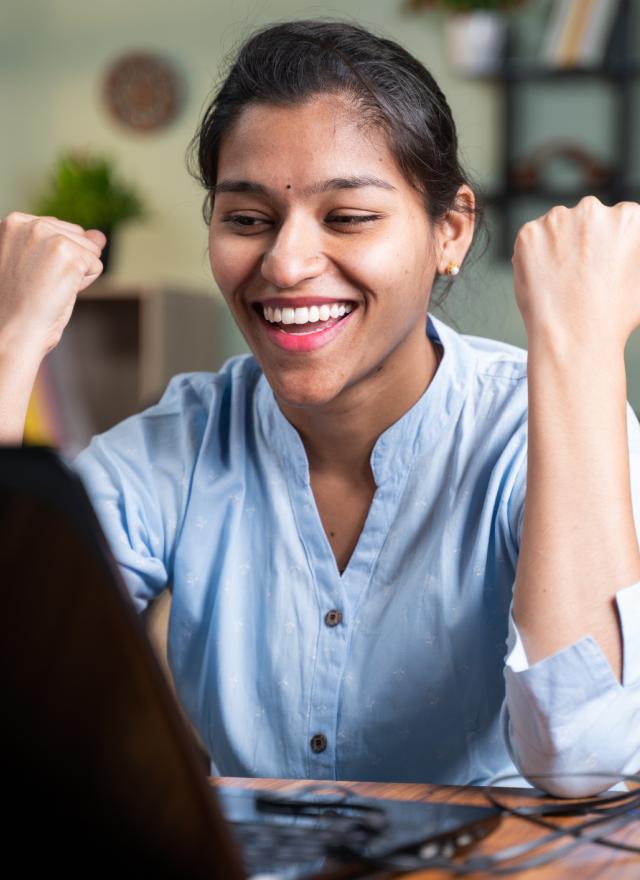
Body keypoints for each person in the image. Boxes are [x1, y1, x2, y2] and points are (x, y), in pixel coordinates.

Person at [2, 19, 640, 797]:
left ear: (451, 230)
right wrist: (12, 344)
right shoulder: (182, 440)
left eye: (347, 218)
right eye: (247, 219)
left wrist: (578, 344)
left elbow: (584, 760)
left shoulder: (539, 424)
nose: (286, 263)